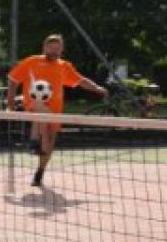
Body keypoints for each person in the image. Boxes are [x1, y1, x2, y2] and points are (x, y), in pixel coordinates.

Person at [7, 33, 108, 188]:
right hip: (33, 104)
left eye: (57, 48)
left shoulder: (64, 66)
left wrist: (97, 88)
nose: (54, 51)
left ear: (61, 50)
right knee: (41, 110)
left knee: (49, 144)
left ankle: (39, 172)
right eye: (51, 48)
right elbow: (13, 79)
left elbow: (80, 80)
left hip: (56, 110)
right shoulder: (32, 62)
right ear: (44, 47)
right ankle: (33, 141)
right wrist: (10, 104)